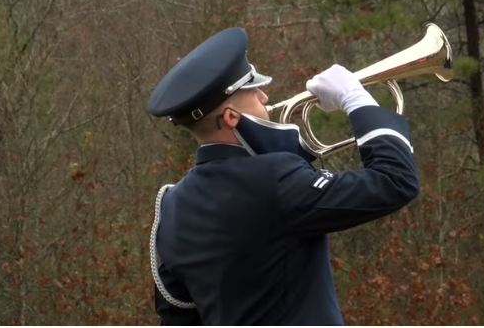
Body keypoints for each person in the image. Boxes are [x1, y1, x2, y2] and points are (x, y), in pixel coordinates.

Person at [146, 27, 420, 326]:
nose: (265, 96)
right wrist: (356, 100)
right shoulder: (276, 179)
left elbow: (177, 317)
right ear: (231, 118)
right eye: (253, 91)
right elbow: (395, 181)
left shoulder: (171, 206)